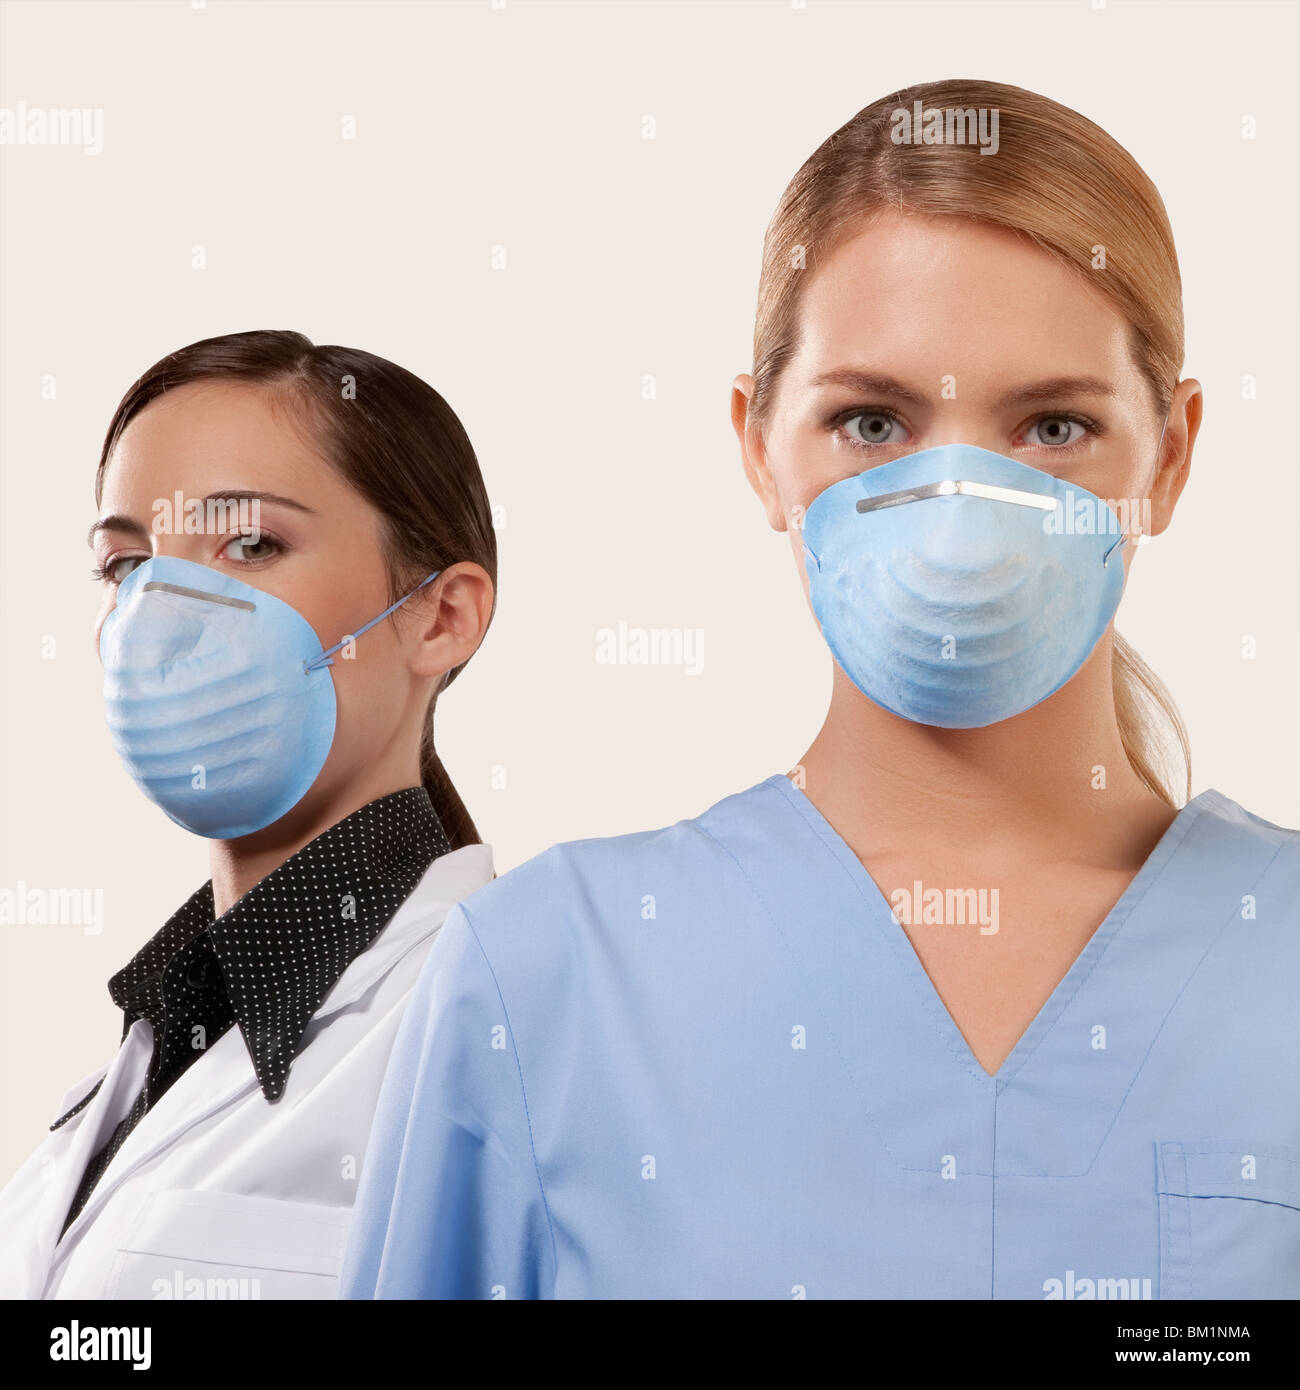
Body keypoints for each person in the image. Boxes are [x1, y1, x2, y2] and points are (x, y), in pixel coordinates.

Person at [339, 81, 1300, 1301]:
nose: (957, 510)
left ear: (1168, 455)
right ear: (759, 447)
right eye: (871, 422)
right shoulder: (545, 976)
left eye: (1053, 426)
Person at [0, 329, 497, 1299]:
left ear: (441, 616)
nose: (160, 614)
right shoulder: (137, 1063)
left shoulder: (503, 1034)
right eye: (127, 564)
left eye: (251, 544)